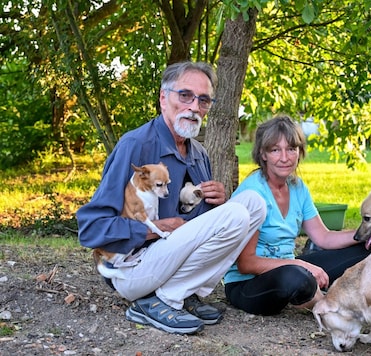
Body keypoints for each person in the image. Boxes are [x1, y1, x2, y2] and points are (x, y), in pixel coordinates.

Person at [76, 61, 266, 334]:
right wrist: (155, 229)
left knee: (253, 204)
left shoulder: (199, 153)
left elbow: (194, 227)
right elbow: (91, 228)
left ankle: (183, 291)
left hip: (170, 263)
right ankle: (157, 301)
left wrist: (216, 204)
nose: (194, 107)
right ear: (163, 98)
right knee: (236, 214)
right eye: (185, 95)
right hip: (131, 270)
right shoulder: (136, 145)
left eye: (203, 100)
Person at [223, 115, 371, 316]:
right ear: (263, 154)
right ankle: (330, 308)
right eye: (276, 150)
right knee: (297, 277)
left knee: (365, 252)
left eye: (291, 149)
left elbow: (324, 237)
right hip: (248, 285)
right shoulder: (253, 194)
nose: (285, 158)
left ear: (299, 152)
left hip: (290, 269)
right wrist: (300, 264)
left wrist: (367, 232)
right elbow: (246, 264)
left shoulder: (298, 188)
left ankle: (331, 295)